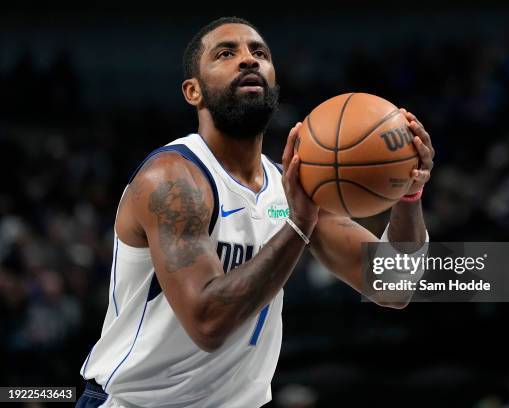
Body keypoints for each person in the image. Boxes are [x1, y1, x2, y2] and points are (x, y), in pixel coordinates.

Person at [76, 16, 435, 408]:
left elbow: (394, 286)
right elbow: (208, 323)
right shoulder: (172, 180)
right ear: (193, 91)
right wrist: (298, 226)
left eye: (259, 53)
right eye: (226, 53)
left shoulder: (292, 187)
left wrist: (409, 197)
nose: (248, 60)